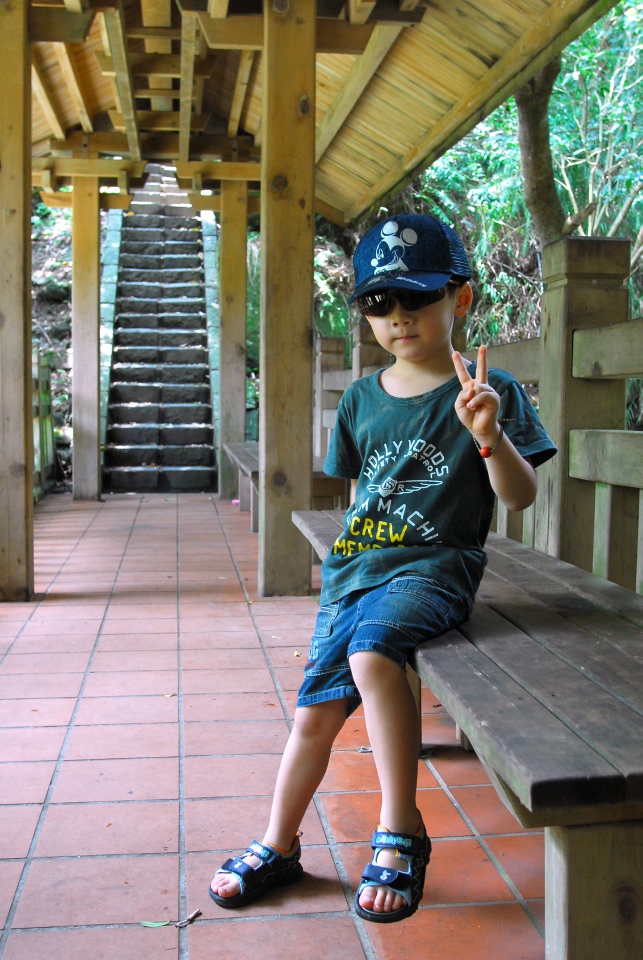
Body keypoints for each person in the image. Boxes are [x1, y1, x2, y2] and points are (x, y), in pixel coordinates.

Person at [209, 213, 556, 923]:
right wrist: (347, 565)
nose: (397, 316)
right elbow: (360, 496)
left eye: (417, 297)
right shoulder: (361, 399)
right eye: (378, 302)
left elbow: (519, 497)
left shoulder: (489, 392)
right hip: (356, 572)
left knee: (372, 655)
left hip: (435, 567)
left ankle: (401, 829)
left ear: (460, 298)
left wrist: (488, 436)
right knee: (314, 713)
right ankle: (279, 843)